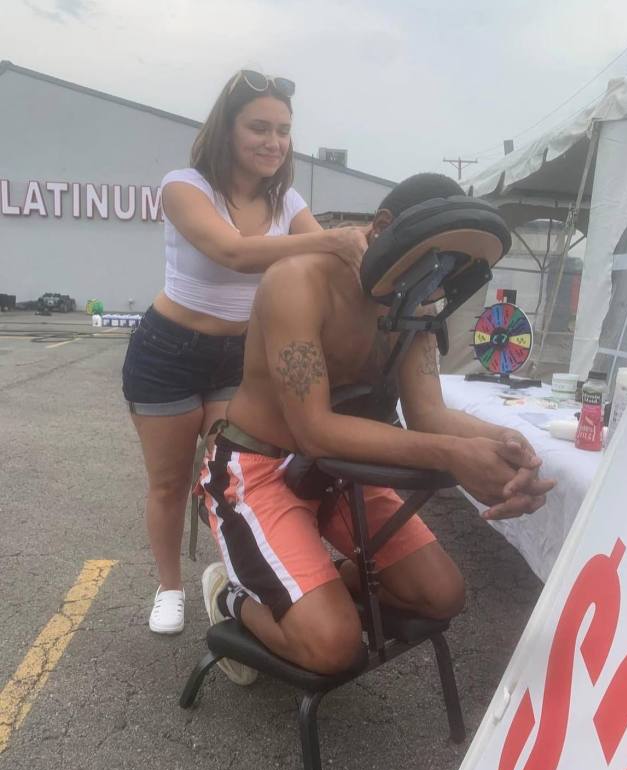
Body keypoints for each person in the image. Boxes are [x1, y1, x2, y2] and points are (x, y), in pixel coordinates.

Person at [197, 173, 556, 684]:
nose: (439, 280)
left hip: (340, 472)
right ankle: (230, 595)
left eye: (452, 267)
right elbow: (315, 430)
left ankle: (307, 589)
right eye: (434, 261)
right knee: (333, 645)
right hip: (259, 470)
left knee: (441, 595)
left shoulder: (416, 302)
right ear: (384, 228)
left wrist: (504, 444)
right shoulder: (297, 281)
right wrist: (452, 454)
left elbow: (430, 415)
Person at [122, 70, 368, 634]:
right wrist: (333, 238)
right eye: (259, 127)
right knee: (170, 483)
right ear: (227, 129)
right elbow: (234, 252)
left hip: (240, 358)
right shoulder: (184, 187)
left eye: (283, 130)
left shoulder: (289, 202)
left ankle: (233, 579)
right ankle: (168, 587)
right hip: (167, 352)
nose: (273, 142)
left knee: (233, 483)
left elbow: (325, 265)